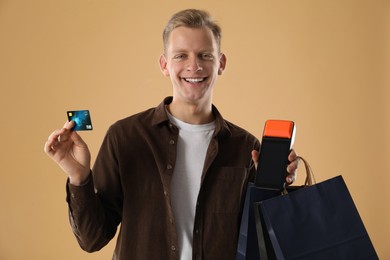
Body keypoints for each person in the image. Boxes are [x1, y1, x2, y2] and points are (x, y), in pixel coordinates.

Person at [44, 9, 298, 260]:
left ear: (220, 63)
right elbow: (92, 239)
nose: (194, 65)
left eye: (205, 55)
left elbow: (261, 243)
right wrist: (79, 178)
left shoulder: (245, 146)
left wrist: (276, 189)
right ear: (165, 65)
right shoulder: (125, 137)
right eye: (181, 56)